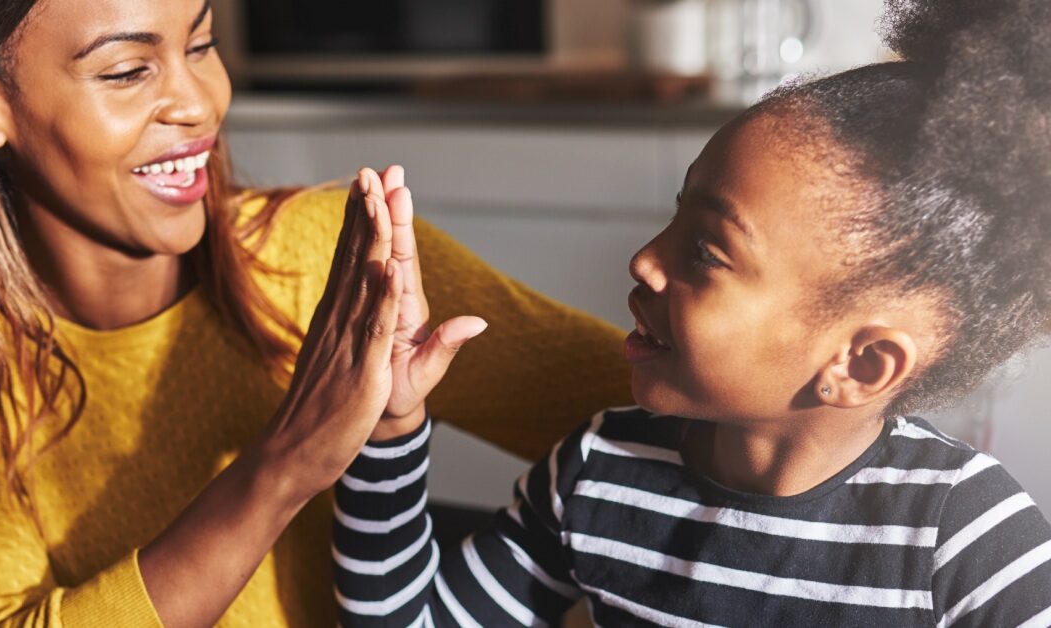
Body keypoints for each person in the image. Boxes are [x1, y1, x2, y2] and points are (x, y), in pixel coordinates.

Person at [0, 1, 632, 626]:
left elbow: (680, 416)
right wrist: (287, 464)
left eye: (201, 43)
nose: (198, 102)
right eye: (127, 71)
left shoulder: (330, 253)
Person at [332, 0, 1051, 625]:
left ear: (859, 365)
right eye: (673, 219)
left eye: (705, 251)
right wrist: (390, 428)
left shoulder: (968, 540)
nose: (645, 259)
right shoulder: (598, 470)